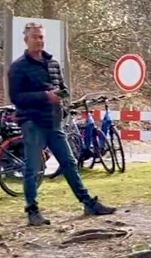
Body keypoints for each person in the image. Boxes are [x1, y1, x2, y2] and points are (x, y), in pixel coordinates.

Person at [8, 21, 115, 226]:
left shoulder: (53, 63)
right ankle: (32, 210)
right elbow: (16, 96)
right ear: (26, 40)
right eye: (35, 37)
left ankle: (88, 203)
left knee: (69, 162)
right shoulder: (18, 67)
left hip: (54, 122)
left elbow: (63, 89)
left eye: (41, 37)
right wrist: (43, 96)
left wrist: (61, 98)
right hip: (32, 122)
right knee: (32, 168)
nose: (39, 40)